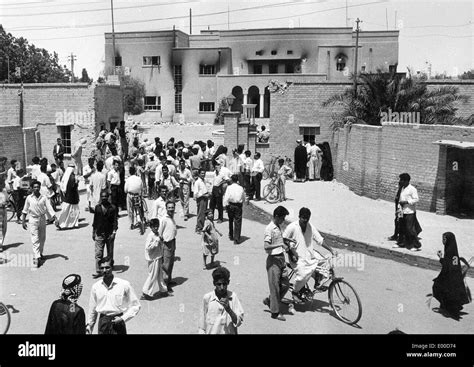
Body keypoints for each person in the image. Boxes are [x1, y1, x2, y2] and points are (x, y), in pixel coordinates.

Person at [283, 207, 336, 303]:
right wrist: (289, 250)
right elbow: (283, 239)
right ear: (299, 217)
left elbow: (320, 239)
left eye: (307, 218)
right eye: (303, 218)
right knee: (303, 275)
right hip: (296, 257)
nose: (305, 221)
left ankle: (317, 281)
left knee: (326, 263)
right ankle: (295, 292)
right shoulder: (292, 227)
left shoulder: (310, 226)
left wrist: (331, 250)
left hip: (310, 254)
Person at [86, 256, 141, 335]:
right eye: (102, 268)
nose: (104, 270)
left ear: (112, 268)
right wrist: (89, 326)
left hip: (118, 322)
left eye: (107, 267)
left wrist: (123, 318)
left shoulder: (124, 284)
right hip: (103, 323)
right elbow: (92, 309)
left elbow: (136, 305)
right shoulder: (96, 287)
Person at [262, 206, 293, 321]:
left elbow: (279, 240)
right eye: (282, 218)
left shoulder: (278, 227)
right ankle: (275, 312)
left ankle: (270, 301)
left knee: (285, 284)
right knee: (274, 287)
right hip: (273, 260)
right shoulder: (269, 229)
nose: (283, 220)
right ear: (276, 216)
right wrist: (280, 245)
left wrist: (286, 241)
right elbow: (266, 246)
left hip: (281, 258)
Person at [432, 232, 471, 320]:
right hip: (454, 277)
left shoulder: (449, 251)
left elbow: (446, 265)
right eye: (443, 239)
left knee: (438, 288)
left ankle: (448, 309)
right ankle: (446, 306)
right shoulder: (453, 249)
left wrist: (440, 257)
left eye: (444, 239)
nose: (443, 241)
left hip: (449, 277)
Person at [198, 266, 244, 334]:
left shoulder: (233, 297)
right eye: (219, 284)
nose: (222, 287)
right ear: (214, 283)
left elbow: (238, 322)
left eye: (224, 284)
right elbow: (202, 326)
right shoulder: (207, 298)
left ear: (228, 282)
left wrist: (229, 309)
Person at [22, 180, 57, 268]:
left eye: (38, 187)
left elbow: (49, 208)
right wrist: (23, 221)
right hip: (33, 219)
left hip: (42, 219)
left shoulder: (44, 197)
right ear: (32, 188)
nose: (36, 189)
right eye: (35, 187)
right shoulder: (29, 198)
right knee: (35, 238)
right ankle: (37, 257)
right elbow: (25, 210)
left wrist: (55, 218)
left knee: (42, 238)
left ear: (40, 188)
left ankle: (40, 253)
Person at [92, 191, 118, 278]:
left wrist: (114, 233)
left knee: (110, 253)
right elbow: (95, 221)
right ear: (100, 197)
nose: (104, 198)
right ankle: (98, 270)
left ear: (108, 197)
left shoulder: (113, 208)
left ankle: (108, 269)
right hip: (99, 233)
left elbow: (115, 221)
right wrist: (93, 232)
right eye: (102, 197)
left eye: (105, 197)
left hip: (109, 233)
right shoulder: (97, 208)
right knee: (98, 253)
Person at [393, 173, 422, 251]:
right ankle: (401, 243)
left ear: (406, 181)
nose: (400, 181)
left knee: (410, 229)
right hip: (402, 211)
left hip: (410, 212)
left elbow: (416, 199)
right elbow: (399, 200)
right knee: (401, 227)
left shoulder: (412, 189)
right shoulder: (402, 188)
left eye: (401, 180)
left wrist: (406, 202)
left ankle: (415, 245)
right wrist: (398, 210)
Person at [141, 218, 168, 300]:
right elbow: (148, 248)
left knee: (160, 275)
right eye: (154, 226)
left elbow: (160, 244)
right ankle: (145, 292)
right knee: (152, 276)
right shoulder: (150, 236)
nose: (156, 228)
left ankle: (163, 290)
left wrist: (160, 240)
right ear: (151, 227)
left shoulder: (157, 234)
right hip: (153, 259)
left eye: (157, 226)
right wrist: (157, 240)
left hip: (158, 256)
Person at [160, 201, 178, 293]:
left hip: (172, 242)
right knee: (165, 265)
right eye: (169, 207)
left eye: (172, 207)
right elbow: (160, 233)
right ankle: (165, 286)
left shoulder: (172, 218)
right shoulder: (164, 219)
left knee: (171, 263)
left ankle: (169, 280)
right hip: (166, 244)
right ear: (166, 208)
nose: (171, 209)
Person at [223, 174, 245, 245]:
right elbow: (243, 197)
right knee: (238, 221)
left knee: (231, 220)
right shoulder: (241, 188)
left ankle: (231, 235)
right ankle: (236, 239)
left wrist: (225, 205)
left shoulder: (229, 187)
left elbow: (226, 197)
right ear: (237, 180)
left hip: (231, 205)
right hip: (238, 205)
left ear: (232, 180)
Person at [194, 168, 210, 234]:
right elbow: (196, 194)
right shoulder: (197, 182)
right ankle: (199, 228)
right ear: (199, 174)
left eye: (204, 173)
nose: (203, 175)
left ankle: (202, 226)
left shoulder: (204, 181)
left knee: (204, 213)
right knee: (200, 213)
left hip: (205, 198)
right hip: (201, 199)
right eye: (202, 173)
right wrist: (204, 195)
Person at [0, 181, 8, 252]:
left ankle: (0, 244)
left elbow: (7, 201)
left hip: (3, 211)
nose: (4, 185)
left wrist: (6, 203)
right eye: (3, 183)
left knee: (3, 228)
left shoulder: (5, 192)